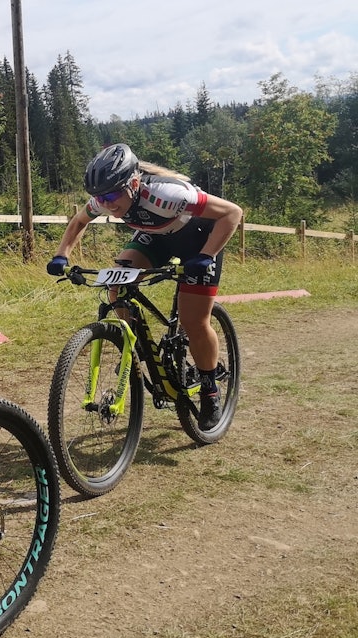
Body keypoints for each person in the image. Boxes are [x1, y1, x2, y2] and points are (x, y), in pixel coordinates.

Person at [47, 143, 243, 431]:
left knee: (193, 321)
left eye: (113, 195)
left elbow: (232, 213)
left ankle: (210, 388)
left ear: (134, 183)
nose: (108, 203)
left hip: (201, 238)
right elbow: (79, 221)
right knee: (117, 285)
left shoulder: (170, 194)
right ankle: (135, 351)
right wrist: (62, 254)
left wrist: (206, 256)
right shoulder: (105, 198)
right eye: (101, 197)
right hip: (156, 237)